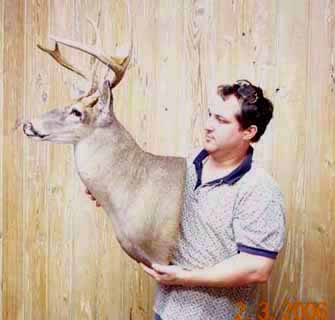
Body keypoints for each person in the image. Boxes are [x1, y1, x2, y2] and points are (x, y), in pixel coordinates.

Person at [87, 80, 286, 319]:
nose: (208, 126)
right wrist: (108, 193)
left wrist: (185, 278)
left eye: (221, 121)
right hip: (166, 311)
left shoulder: (259, 188)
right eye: (211, 115)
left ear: (248, 132)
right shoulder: (185, 165)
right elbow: (148, 205)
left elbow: (257, 267)